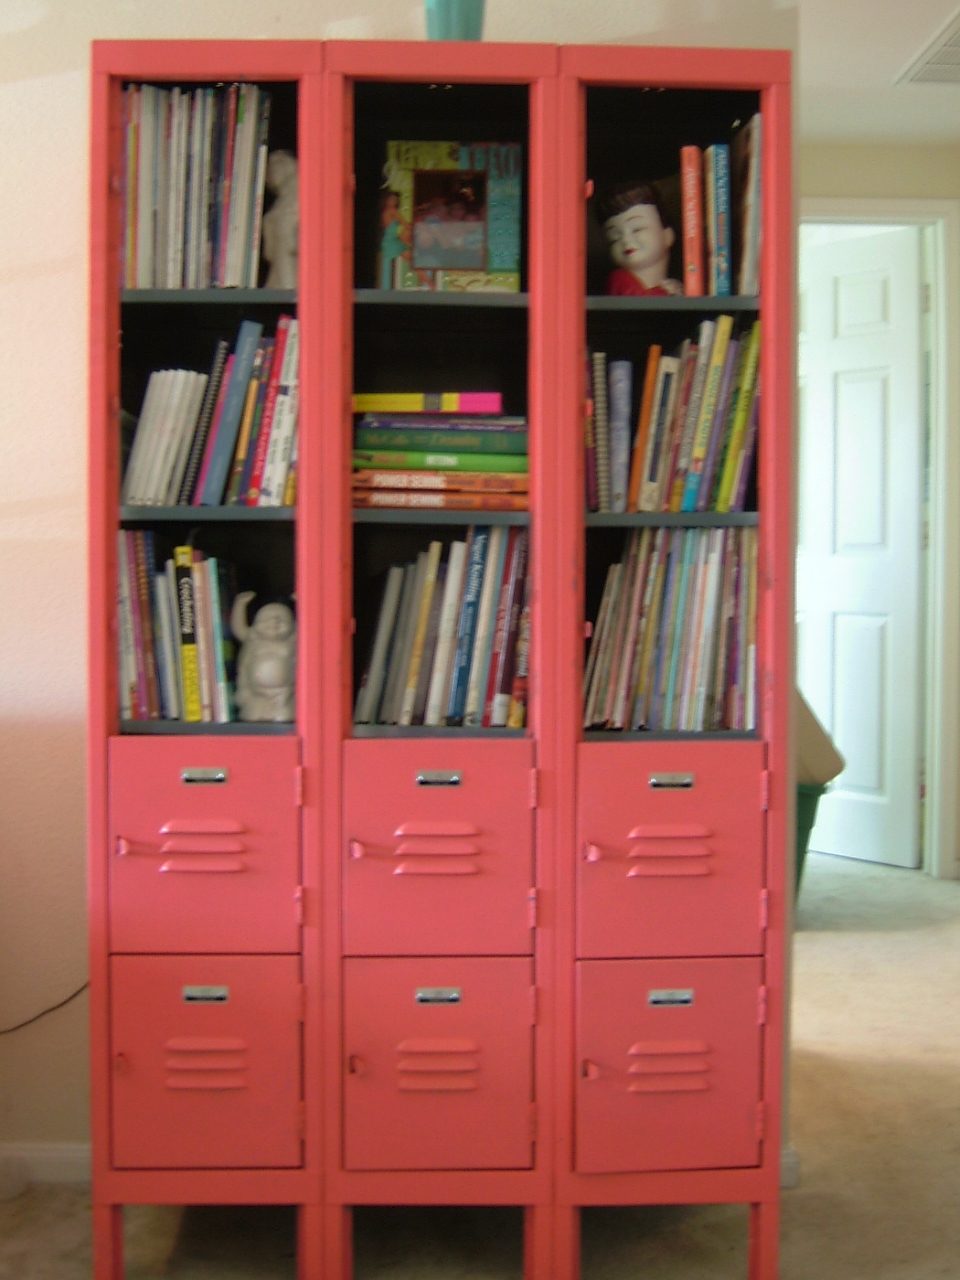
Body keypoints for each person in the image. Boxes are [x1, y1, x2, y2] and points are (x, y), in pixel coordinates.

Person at [596, 181, 683, 297]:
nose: (626, 240)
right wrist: (664, 292)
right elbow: (637, 301)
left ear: (667, 235)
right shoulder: (619, 278)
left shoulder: (671, 285)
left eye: (637, 229)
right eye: (614, 238)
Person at [378, 189, 412, 288]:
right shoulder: (392, 211)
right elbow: (405, 224)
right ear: (386, 200)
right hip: (392, 243)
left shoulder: (385, 212)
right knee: (414, 259)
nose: (393, 202)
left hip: (389, 241)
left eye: (395, 200)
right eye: (391, 200)